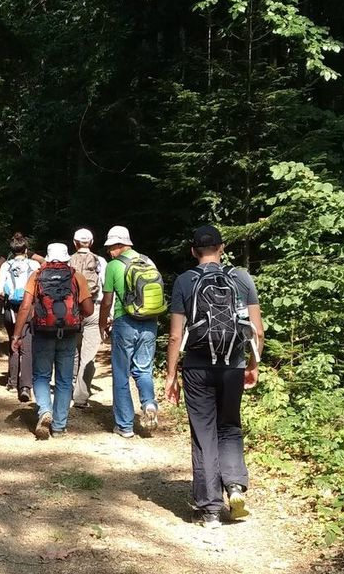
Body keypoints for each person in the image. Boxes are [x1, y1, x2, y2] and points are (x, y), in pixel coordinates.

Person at [163, 224, 263, 528]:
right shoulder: (241, 278)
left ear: (193, 251)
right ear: (221, 248)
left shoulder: (185, 281)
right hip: (233, 365)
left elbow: (175, 335)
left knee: (204, 433)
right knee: (230, 426)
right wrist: (253, 364)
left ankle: (210, 510)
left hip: (197, 367)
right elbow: (257, 331)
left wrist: (171, 375)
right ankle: (234, 486)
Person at [13, 242, 94, 439]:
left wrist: (17, 335)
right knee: (64, 380)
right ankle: (59, 426)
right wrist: (75, 317)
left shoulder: (37, 275)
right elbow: (89, 309)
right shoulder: (76, 276)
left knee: (41, 376)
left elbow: (25, 307)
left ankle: (45, 410)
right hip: (68, 333)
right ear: (67, 257)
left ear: (48, 257)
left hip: (43, 332)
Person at [99, 225, 166, 439]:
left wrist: (102, 324)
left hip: (125, 321)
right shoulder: (148, 261)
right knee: (144, 369)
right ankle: (149, 403)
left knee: (121, 373)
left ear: (120, 245)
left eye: (111, 247)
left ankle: (124, 425)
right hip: (150, 321)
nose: (109, 251)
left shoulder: (113, 266)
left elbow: (107, 301)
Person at [0, 233, 39, 403]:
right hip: (29, 310)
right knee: (27, 346)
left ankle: (12, 381)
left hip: (10, 311)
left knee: (13, 341)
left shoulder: (6, 266)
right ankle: (26, 385)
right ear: (26, 250)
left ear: (12, 251)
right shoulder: (34, 265)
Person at [69, 229, 108, 408]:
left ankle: (69, 388)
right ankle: (81, 397)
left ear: (74, 243)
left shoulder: (68, 260)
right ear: (91, 242)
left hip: (73, 310)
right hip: (94, 308)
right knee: (88, 355)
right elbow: (107, 290)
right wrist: (108, 315)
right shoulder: (100, 261)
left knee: (72, 351)